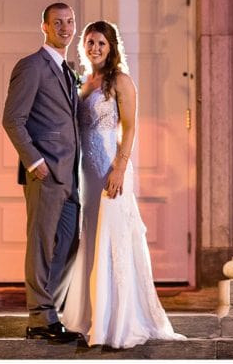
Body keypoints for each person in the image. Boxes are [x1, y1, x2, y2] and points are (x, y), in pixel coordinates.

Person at [62, 20, 185, 349]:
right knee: (91, 239)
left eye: (102, 43)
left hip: (111, 171)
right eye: (90, 42)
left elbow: (129, 129)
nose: (95, 48)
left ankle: (118, 322)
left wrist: (119, 167)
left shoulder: (121, 81)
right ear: (83, 46)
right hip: (86, 174)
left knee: (113, 241)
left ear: (112, 47)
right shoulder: (84, 82)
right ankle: (91, 317)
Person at [1, 2, 83, 343]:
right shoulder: (31, 67)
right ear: (44, 27)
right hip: (45, 174)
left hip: (71, 176)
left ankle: (51, 311)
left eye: (69, 22)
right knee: (40, 244)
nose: (65, 27)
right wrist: (35, 162)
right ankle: (40, 319)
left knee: (67, 243)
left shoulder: (69, 69)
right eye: (57, 22)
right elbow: (12, 119)